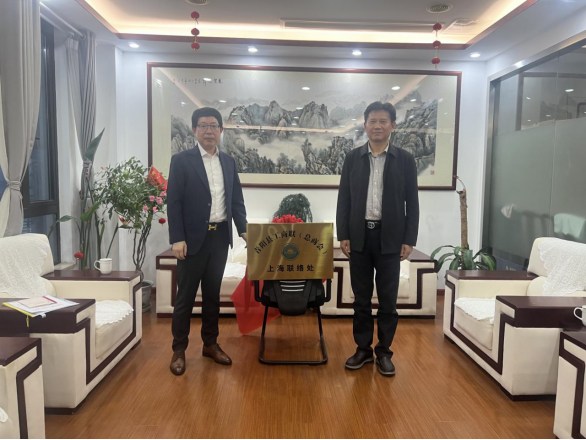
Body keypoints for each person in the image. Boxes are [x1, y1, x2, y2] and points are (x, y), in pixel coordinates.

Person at [336, 101, 419, 377]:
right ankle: (362, 349)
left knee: (387, 300)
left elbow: (412, 203)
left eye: (383, 121)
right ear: (365, 125)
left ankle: (384, 351)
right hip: (359, 236)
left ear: (393, 125)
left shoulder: (405, 160)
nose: (377, 126)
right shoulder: (353, 158)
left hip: (390, 238)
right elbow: (344, 199)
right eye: (372, 121)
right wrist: (343, 234)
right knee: (361, 298)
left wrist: (409, 238)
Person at [167, 107, 247, 375]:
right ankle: (179, 349)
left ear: (221, 130)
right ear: (194, 130)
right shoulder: (181, 161)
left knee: (212, 296)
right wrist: (177, 238)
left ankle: (210, 344)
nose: (209, 131)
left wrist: (244, 230)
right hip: (191, 241)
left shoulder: (229, 162)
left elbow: (236, 201)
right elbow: (174, 202)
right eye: (203, 126)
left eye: (214, 126)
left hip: (219, 238)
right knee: (185, 297)